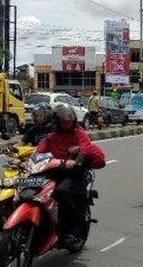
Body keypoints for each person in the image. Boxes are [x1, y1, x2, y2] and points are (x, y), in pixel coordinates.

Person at [36, 103, 106, 246]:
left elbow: (85, 148)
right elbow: (39, 150)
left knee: (63, 191)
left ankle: (73, 228)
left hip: (75, 172)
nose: (66, 121)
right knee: (36, 191)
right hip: (54, 171)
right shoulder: (51, 136)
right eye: (63, 119)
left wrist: (76, 161)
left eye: (68, 118)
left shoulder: (79, 132)